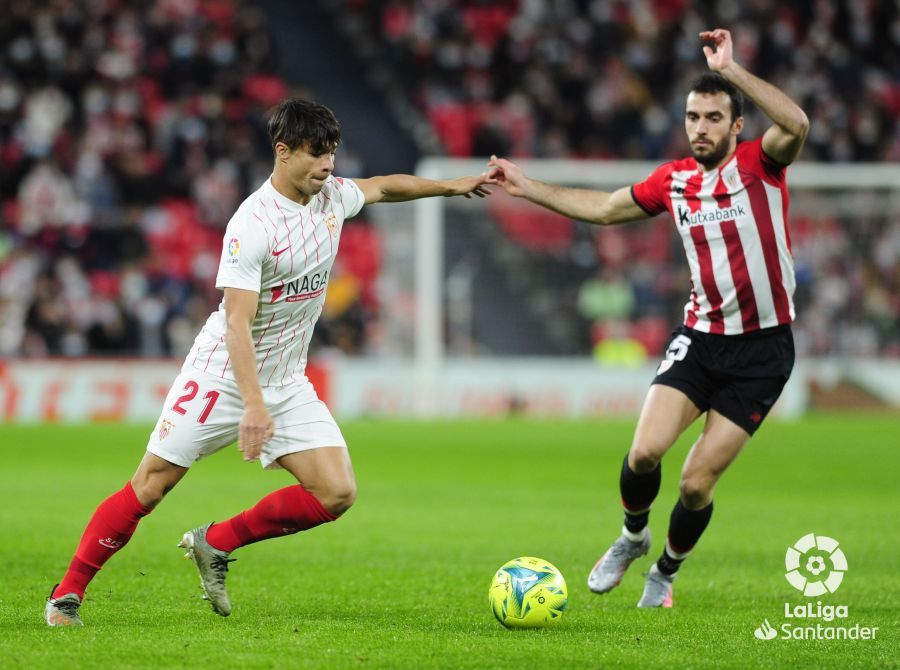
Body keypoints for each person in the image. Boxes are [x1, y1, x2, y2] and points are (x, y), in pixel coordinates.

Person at [44, 98, 494, 626]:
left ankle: (216, 542)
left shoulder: (331, 197)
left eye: (332, 153)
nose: (328, 165)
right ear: (282, 152)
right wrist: (253, 406)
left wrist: (451, 185)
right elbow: (237, 324)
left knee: (337, 491)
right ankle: (66, 594)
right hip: (223, 374)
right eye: (316, 154)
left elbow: (384, 186)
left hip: (285, 377)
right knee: (151, 485)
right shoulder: (252, 225)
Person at [486, 29, 808, 608]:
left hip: (762, 352)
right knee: (642, 455)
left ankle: (666, 570)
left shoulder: (762, 165)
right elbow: (605, 209)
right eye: (693, 116)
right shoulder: (675, 180)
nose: (701, 127)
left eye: (714, 117)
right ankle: (633, 537)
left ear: (736, 126)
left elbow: (798, 124)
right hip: (701, 337)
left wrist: (732, 72)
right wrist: (526, 186)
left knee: (694, 482)